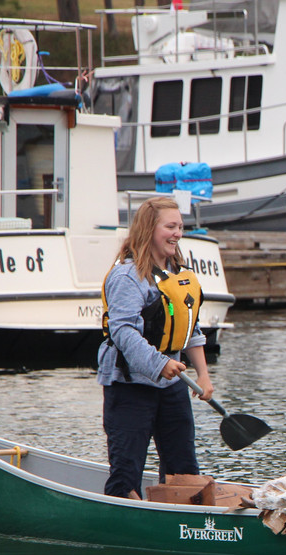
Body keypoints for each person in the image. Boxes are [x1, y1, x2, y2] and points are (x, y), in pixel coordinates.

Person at [98, 196, 213, 499]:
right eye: (170, 226)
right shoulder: (128, 276)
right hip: (129, 386)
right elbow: (123, 332)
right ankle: (122, 517)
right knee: (126, 472)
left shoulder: (176, 272)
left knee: (184, 470)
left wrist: (203, 374)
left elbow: (190, 328)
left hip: (171, 385)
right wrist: (159, 363)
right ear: (149, 229)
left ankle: (182, 520)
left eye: (180, 226)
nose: (178, 233)